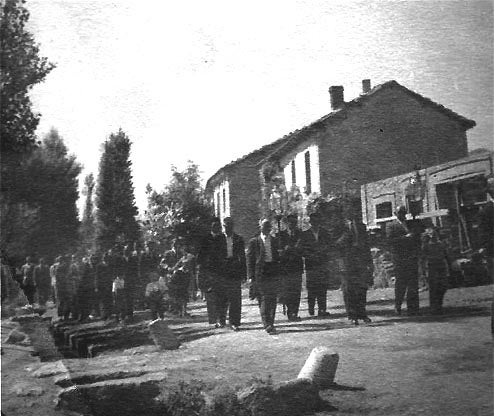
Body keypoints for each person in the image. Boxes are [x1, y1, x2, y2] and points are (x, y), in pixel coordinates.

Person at [339, 202, 374, 325]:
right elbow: (336, 244)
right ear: (345, 214)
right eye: (350, 212)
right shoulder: (340, 227)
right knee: (349, 290)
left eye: (354, 211)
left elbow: (366, 245)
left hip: (360, 262)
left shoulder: (361, 226)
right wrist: (346, 238)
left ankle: (362, 313)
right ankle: (352, 314)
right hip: (346, 262)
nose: (353, 214)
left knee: (361, 288)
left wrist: (369, 261)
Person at [247, 219, 282, 334]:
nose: (267, 228)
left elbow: (278, 258)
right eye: (264, 226)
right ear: (260, 227)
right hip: (260, 273)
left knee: (272, 299)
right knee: (264, 298)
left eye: (268, 226)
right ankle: (266, 324)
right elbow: (250, 260)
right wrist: (250, 276)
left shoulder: (275, 240)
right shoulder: (254, 242)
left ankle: (271, 322)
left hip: (273, 271)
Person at [386, 205, 421, 316]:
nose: (402, 215)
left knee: (413, 284)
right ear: (395, 214)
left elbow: (417, 239)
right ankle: (398, 306)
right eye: (400, 213)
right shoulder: (391, 225)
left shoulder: (410, 224)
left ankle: (413, 308)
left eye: (404, 213)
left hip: (411, 257)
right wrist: (405, 238)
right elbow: (390, 241)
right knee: (401, 283)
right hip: (399, 258)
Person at [300, 212, 331, 317]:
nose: (315, 223)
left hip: (322, 263)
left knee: (322, 287)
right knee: (312, 287)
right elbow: (303, 250)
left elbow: (329, 246)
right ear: (311, 222)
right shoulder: (305, 234)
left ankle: (322, 309)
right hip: (311, 264)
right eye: (313, 221)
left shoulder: (325, 233)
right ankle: (311, 309)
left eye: (317, 221)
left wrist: (323, 252)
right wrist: (311, 255)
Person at [217, 217, 246, 331]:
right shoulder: (218, 239)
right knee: (221, 296)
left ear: (232, 226)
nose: (227, 228)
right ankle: (221, 320)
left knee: (235, 298)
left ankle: (234, 322)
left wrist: (243, 273)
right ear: (223, 227)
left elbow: (242, 257)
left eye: (229, 226)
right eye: (225, 226)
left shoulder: (239, 239)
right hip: (221, 271)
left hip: (234, 270)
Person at [197, 218, 227, 328]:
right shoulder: (205, 239)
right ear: (211, 227)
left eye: (218, 226)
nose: (217, 228)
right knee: (211, 297)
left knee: (222, 297)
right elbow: (200, 257)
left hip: (221, 272)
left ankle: (222, 319)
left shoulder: (223, 238)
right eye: (214, 226)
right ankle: (214, 320)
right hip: (209, 272)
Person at [277, 214, 303, 321]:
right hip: (285, 267)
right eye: (291, 222)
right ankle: (290, 311)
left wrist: (294, 249)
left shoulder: (300, 235)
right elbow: (278, 251)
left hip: (296, 266)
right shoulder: (280, 235)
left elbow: (302, 249)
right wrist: (284, 250)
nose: (293, 225)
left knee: (296, 291)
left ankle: (294, 313)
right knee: (287, 291)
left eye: (295, 222)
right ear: (287, 223)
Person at [421, 227, 449, 315]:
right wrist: (423, 271)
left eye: (434, 234)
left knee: (443, 287)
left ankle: (439, 304)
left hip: (441, 266)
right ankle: (434, 307)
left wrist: (449, 265)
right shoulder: (426, 246)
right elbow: (422, 259)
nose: (433, 236)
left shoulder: (441, 244)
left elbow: (446, 255)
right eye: (431, 234)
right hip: (431, 267)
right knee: (433, 288)